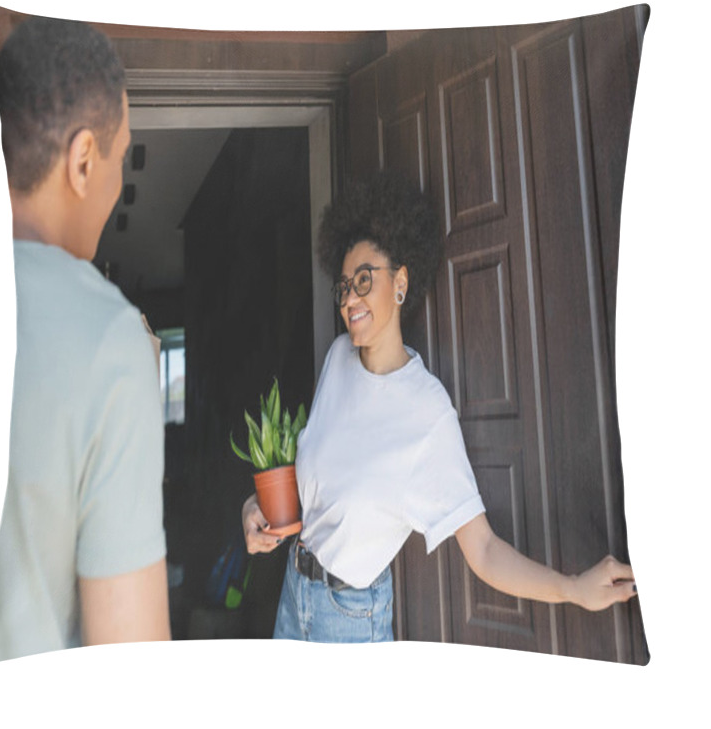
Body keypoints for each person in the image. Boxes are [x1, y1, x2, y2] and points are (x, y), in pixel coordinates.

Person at [242, 171, 637, 643]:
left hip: (348, 619)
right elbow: (321, 487)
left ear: (401, 282)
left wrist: (573, 589)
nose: (350, 298)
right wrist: (255, 509)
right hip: (294, 592)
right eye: (344, 286)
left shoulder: (426, 414)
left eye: (364, 280)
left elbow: (485, 551)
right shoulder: (337, 360)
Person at [0, 16, 170, 664]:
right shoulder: (108, 340)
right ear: (84, 160)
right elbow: (127, 670)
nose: (116, 181)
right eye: (121, 156)